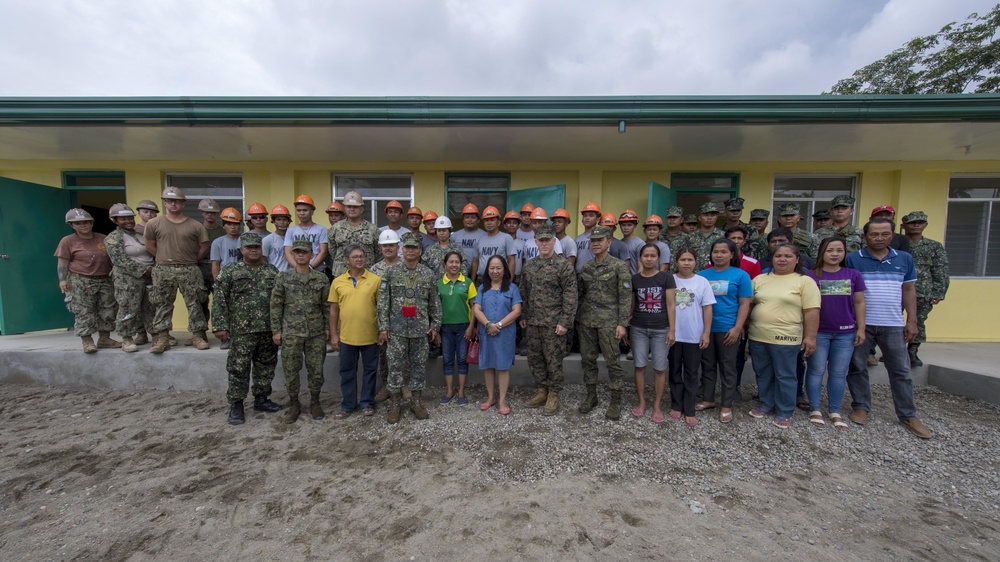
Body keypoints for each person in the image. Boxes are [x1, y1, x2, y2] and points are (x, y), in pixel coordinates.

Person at [845, 218, 932, 439]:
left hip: (892, 322)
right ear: (865, 236)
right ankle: (861, 406)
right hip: (861, 323)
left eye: (885, 234)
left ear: (892, 235)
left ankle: (908, 414)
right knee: (856, 366)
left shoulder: (904, 259)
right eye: (874, 234)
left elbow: (909, 290)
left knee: (900, 370)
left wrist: (911, 320)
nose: (879, 238)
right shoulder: (854, 259)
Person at [747, 243, 821, 429]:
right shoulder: (760, 279)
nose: (782, 259)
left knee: (785, 375)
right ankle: (766, 403)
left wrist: (810, 337)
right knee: (763, 373)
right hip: (758, 335)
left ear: (797, 260)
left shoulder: (804, 281)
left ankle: (784, 410)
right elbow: (748, 305)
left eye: (788, 256)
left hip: (786, 336)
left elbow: (811, 311)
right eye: (778, 255)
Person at [212, 233, 283, 425]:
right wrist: (220, 326)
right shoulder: (230, 271)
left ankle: (261, 399)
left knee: (266, 366)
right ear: (241, 249)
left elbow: (279, 301)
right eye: (249, 247)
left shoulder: (271, 271)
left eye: (257, 247)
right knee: (238, 368)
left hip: (267, 329)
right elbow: (219, 300)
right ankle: (236, 404)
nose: (253, 250)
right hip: (242, 330)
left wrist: (279, 327)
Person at [377, 232, 441, 424]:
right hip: (396, 331)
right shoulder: (390, 272)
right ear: (402, 250)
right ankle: (395, 404)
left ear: (420, 251)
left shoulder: (428, 274)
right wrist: (383, 327)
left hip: (420, 330)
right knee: (395, 367)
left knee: (418, 368)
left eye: (414, 248)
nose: (411, 251)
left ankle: (416, 402)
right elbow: (383, 303)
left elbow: (435, 303)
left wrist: (435, 325)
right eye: (407, 248)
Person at [805, 236, 866, 430]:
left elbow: (859, 302)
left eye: (839, 250)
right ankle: (815, 408)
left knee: (839, 373)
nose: (834, 254)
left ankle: (834, 410)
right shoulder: (810, 275)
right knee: (816, 371)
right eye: (830, 250)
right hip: (819, 332)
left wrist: (861, 328)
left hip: (845, 332)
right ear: (822, 252)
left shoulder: (853, 274)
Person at [144, 186, 211, 352]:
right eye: (169, 201)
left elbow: (204, 246)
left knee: (195, 303)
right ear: (165, 203)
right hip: (163, 269)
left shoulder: (195, 225)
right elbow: (149, 244)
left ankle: (197, 336)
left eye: (177, 201)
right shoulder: (154, 223)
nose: (173, 204)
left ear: (183, 203)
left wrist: (192, 260)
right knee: (162, 304)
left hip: (189, 268)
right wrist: (162, 258)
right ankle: (163, 338)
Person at [271, 239, 331, 423]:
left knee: (316, 370)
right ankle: (294, 403)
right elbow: (275, 305)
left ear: (311, 255)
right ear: (292, 255)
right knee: (291, 370)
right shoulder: (283, 277)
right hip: (291, 332)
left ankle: (314, 402)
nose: (300, 255)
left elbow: (327, 306)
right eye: (297, 252)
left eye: (304, 252)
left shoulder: (321, 279)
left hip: (315, 333)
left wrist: (328, 327)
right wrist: (276, 330)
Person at [519, 225, 577, 416]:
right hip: (534, 322)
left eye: (547, 240)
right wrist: (524, 315)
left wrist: (564, 322)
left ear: (554, 241)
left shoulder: (563, 266)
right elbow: (524, 293)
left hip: (554, 324)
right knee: (535, 359)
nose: (544, 243)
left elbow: (570, 296)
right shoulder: (530, 266)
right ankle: (542, 390)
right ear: (535, 242)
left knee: (553, 360)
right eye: (540, 240)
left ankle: (554, 393)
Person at [576, 225, 631, 420]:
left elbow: (625, 297)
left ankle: (616, 401)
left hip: (609, 323)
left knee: (613, 362)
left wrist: (622, 324)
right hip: (588, 322)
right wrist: (578, 319)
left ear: (609, 242)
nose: (596, 243)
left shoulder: (618, 266)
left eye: (600, 240)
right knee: (588, 360)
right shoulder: (587, 267)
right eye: (593, 241)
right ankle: (591, 396)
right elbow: (581, 295)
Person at [697, 238, 753, 423]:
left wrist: (738, 328)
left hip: (728, 328)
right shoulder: (702, 275)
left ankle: (726, 405)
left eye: (723, 252)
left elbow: (745, 303)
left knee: (728, 367)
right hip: (706, 329)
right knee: (708, 365)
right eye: (715, 251)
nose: (719, 255)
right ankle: (708, 399)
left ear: (731, 254)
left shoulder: (740, 275)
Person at [55, 208, 119, 353]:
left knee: (108, 309)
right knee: (84, 311)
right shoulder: (68, 241)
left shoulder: (103, 238)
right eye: (78, 223)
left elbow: (113, 259)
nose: (83, 225)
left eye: (86, 222)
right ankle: (87, 340)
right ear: (72, 225)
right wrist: (62, 280)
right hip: (80, 279)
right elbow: (62, 263)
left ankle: (104, 338)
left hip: (104, 278)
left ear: (91, 223)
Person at [328, 244, 380, 419]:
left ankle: (367, 402)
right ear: (346, 260)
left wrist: (382, 330)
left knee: (370, 370)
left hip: (370, 335)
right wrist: (334, 334)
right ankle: (348, 405)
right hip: (347, 336)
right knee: (347, 371)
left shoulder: (375, 280)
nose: (359, 259)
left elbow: (380, 307)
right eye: (355, 256)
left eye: (362, 256)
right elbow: (334, 309)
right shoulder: (338, 282)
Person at [629, 243, 676, 424]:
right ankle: (641, 402)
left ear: (658, 258)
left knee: (659, 367)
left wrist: (672, 330)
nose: (649, 259)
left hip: (661, 329)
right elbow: (633, 305)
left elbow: (671, 305)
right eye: (645, 256)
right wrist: (626, 323)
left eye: (653, 256)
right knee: (639, 365)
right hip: (639, 327)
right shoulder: (635, 279)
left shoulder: (666, 278)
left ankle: (657, 405)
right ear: (640, 258)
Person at [669, 247, 714, 427]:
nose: (686, 263)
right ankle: (676, 404)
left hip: (694, 335)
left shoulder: (702, 282)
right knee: (674, 371)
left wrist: (706, 333)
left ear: (695, 262)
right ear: (676, 262)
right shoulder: (670, 280)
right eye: (682, 260)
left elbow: (707, 308)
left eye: (690, 260)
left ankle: (689, 407)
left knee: (691, 372)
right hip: (674, 335)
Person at [472, 255, 522, 415]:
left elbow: (517, 311)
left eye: (498, 267)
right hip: (487, 332)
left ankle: (502, 400)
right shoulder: (482, 288)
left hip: (505, 333)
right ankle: (490, 397)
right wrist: (487, 324)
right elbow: (476, 309)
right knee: (487, 364)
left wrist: (498, 325)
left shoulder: (512, 288)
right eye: (492, 268)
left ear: (504, 269)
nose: (495, 271)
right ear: (487, 270)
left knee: (502, 365)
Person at [901, 211, 949, 366]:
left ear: (925, 225)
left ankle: (912, 352)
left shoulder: (934, 246)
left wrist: (939, 292)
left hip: (923, 290)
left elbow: (940, 270)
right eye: (912, 223)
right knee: (894, 322)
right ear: (904, 226)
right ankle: (896, 351)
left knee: (918, 321)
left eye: (919, 222)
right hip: (896, 288)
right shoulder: (898, 244)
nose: (916, 225)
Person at [105, 203, 154, 353]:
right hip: (128, 278)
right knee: (128, 307)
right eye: (123, 219)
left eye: (130, 218)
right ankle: (126, 338)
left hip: (149, 275)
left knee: (150, 306)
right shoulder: (113, 238)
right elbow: (119, 260)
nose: (128, 221)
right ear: (115, 220)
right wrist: (144, 271)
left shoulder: (139, 234)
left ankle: (150, 334)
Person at [438, 251, 477, 406]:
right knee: (447, 359)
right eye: (451, 262)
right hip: (445, 327)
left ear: (461, 264)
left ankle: (461, 391)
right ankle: (449, 391)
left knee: (462, 359)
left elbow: (474, 306)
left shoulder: (467, 282)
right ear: (445, 264)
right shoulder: (439, 283)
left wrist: (471, 327)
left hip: (463, 327)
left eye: (457, 262)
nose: (454, 265)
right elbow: (435, 307)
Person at [370, 229, 403, 401]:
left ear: (398, 246)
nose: (388, 248)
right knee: (384, 355)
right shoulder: (375, 269)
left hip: (403, 319)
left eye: (391, 245)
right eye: (385, 246)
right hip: (382, 320)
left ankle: (403, 386)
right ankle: (387, 386)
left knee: (404, 354)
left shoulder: (406, 266)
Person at [327, 191, 379, 278]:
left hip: (366, 275)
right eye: (349, 206)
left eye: (355, 207)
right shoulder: (335, 228)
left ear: (361, 209)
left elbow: (379, 253)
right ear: (344, 208)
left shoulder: (372, 229)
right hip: (342, 274)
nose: (352, 209)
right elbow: (333, 251)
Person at [283, 195, 329, 275]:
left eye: (305, 210)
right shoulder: (291, 231)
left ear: (312, 212)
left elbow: (323, 251)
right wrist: (299, 268)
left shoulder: (321, 230)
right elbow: (288, 253)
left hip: (317, 272)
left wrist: (310, 267)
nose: (302, 213)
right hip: (296, 273)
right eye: (299, 210)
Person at [474, 206, 516, 284]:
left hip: (500, 279)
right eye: (486, 220)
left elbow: (511, 260)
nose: (489, 223)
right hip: (482, 279)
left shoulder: (506, 238)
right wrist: (473, 281)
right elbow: (475, 261)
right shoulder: (479, 239)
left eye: (492, 220)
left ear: (498, 222)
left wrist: (509, 281)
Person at [451, 203, 486, 276]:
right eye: (467, 217)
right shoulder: (454, 236)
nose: (469, 220)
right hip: (459, 274)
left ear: (478, 220)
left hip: (479, 275)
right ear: (463, 220)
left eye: (473, 217)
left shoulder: (484, 235)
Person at [210, 207, 243, 282]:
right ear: (224, 226)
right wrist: (217, 281)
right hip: (225, 278)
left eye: (235, 224)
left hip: (243, 278)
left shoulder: (245, 240)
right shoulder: (217, 242)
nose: (232, 227)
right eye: (229, 224)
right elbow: (215, 264)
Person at [574, 201, 602, 273]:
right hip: (579, 277)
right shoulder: (577, 239)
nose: (587, 218)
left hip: (595, 276)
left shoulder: (601, 238)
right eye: (585, 215)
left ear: (597, 219)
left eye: (591, 215)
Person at [262, 204, 292, 271]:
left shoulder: (294, 238)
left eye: (284, 219)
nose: (281, 222)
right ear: (274, 221)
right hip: (275, 276)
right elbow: (263, 260)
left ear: (288, 221)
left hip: (291, 276)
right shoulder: (267, 240)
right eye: (278, 220)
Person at [618, 210, 645, 274]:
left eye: (629, 225)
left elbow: (641, 266)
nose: (626, 228)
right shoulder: (619, 243)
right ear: (620, 227)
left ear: (635, 226)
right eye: (623, 225)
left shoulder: (640, 244)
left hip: (635, 280)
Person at [502, 210, 526, 282]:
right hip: (503, 276)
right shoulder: (501, 241)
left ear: (518, 226)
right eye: (509, 222)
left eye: (514, 223)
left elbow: (523, 262)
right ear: (504, 225)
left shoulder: (522, 243)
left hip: (518, 277)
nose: (511, 225)